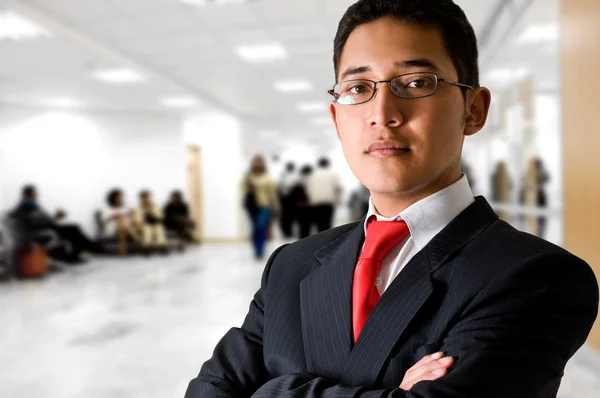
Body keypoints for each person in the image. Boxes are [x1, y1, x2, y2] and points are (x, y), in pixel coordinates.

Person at [186, 1, 599, 397]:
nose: (382, 113)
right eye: (358, 88)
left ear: (473, 110)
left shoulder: (536, 277)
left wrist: (270, 389)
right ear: (336, 119)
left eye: (417, 83)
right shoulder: (290, 267)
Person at [11, 185, 101, 263]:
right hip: (45, 229)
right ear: (31, 193)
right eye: (35, 192)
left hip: (46, 227)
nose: (37, 193)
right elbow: (42, 220)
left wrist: (56, 216)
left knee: (74, 229)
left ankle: (87, 249)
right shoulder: (28, 204)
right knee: (74, 229)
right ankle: (89, 249)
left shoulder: (27, 204)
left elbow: (43, 219)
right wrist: (58, 215)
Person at [243, 155, 281, 259]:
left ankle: (260, 250)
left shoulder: (267, 176)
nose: (258, 164)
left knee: (261, 226)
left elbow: (272, 192)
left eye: (259, 162)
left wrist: (277, 206)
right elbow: (244, 189)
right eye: (256, 162)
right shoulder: (248, 175)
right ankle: (256, 250)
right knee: (255, 228)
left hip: (264, 205)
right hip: (251, 205)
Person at [306, 157, 342, 233]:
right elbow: (337, 188)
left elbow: (308, 189)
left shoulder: (313, 175)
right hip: (328, 202)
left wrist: (311, 200)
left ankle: (320, 239)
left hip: (316, 203)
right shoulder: (333, 175)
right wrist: (338, 200)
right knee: (327, 222)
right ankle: (327, 239)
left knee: (318, 223)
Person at [277, 162, 299, 239]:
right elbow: (280, 187)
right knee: (285, 216)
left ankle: (290, 232)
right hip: (284, 199)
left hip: (293, 199)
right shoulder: (283, 175)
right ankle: (286, 232)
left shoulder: (295, 175)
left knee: (292, 216)